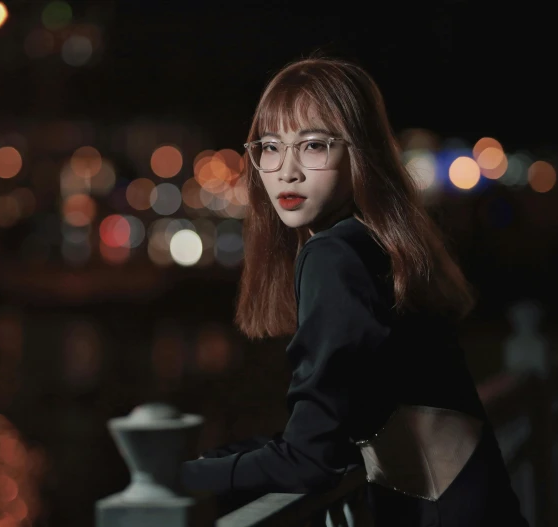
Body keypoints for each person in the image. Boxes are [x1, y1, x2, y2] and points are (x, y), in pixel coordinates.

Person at [180, 55, 529, 527]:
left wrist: (179, 477)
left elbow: (309, 459)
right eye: (268, 147)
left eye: (314, 146)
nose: (286, 171)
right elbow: (337, 430)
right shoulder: (379, 244)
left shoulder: (334, 256)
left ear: (359, 152)